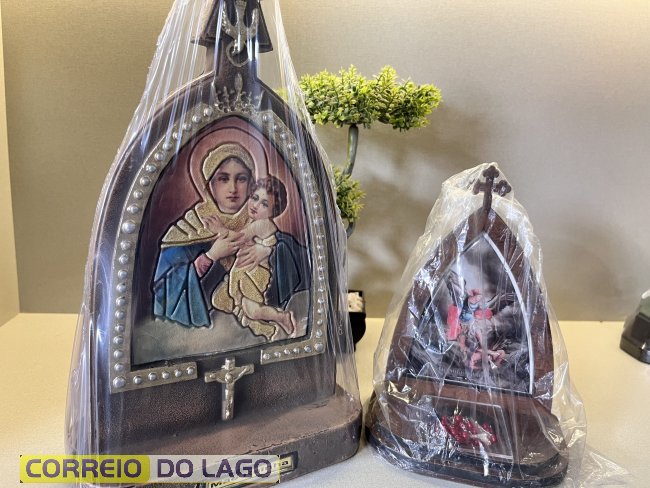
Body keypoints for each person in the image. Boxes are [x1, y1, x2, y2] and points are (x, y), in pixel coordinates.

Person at [152, 143, 309, 332]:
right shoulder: (190, 228)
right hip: (209, 332)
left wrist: (268, 251)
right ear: (209, 184)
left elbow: (301, 260)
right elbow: (163, 291)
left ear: (251, 183)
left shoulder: (258, 221)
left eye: (241, 179)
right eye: (223, 179)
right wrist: (210, 256)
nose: (233, 188)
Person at [210, 176, 296, 339]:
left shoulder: (262, 224)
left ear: (273, 211)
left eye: (264, 204)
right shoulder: (253, 222)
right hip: (244, 270)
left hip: (254, 273)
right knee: (224, 302)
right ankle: (265, 330)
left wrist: (219, 229)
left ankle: (281, 317)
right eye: (254, 198)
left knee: (253, 310)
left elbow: (238, 238)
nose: (256, 205)